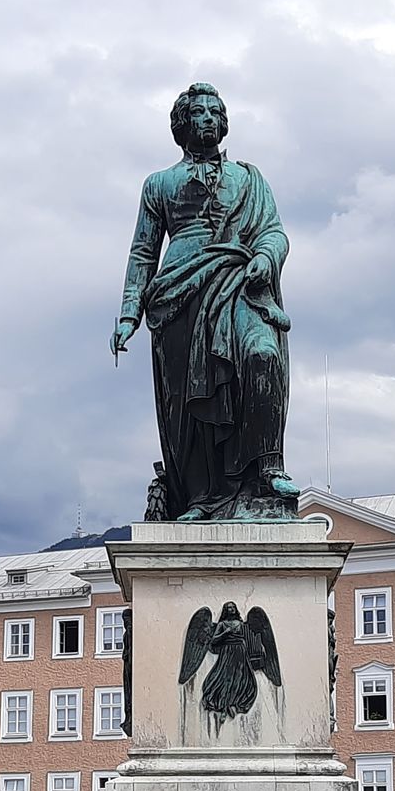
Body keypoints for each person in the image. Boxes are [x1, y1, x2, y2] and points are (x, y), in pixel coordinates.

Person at [111, 82, 299, 521]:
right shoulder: (159, 184)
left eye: (215, 112)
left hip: (239, 281)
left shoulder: (250, 179)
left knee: (262, 354)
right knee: (190, 401)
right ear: (182, 124)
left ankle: (266, 468)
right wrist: (129, 313)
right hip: (179, 294)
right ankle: (203, 497)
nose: (209, 118)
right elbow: (143, 251)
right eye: (199, 113)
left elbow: (274, 231)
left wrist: (266, 256)